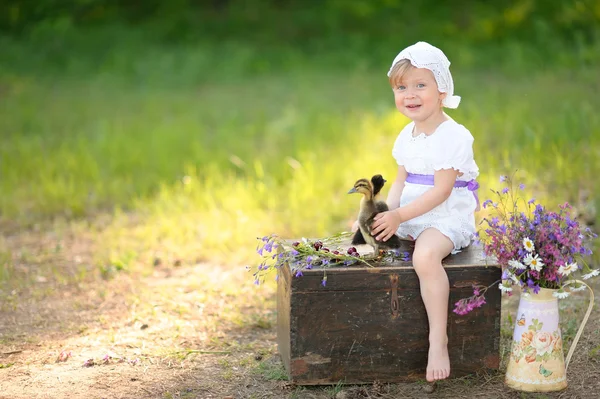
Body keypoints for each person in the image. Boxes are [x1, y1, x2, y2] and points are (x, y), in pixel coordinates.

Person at [371, 41, 480, 382]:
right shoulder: (407, 135)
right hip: (414, 214)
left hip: (446, 216)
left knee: (424, 257)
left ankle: (438, 339)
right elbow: (401, 181)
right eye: (402, 87)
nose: (411, 94)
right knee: (369, 238)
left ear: (442, 90)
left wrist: (401, 217)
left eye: (421, 85)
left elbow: (442, 191)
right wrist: (387, 212)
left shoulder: (454, 136)